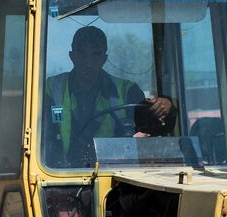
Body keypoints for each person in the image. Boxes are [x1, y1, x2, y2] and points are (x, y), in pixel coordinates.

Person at [44, 25, 176, 167]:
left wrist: (167, 107)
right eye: (82, 54)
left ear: (104, 58)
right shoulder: (51, 88)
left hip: (112, 174)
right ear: (72, 56)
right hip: (59, 175)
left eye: (96, 55)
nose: (88, 63)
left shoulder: (127, 91)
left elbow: (154, 124)